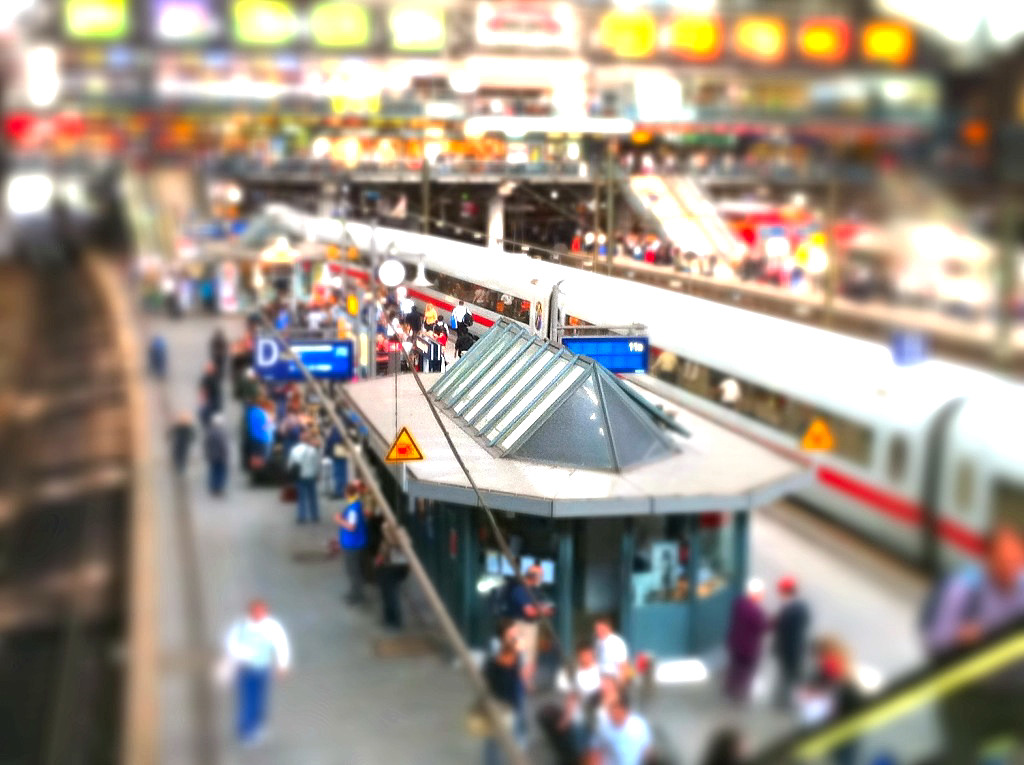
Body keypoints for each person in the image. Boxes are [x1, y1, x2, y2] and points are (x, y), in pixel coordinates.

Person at [924, 524, 1024, 764]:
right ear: (988, 559)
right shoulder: (965, 589)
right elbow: (936, 638)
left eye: (1017, 560)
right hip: (966, 695)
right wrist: (960, 636)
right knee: (963, 757)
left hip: (1011, 692)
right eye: (1004, 561)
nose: (1012, 568)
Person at [223, 599, 291, 746]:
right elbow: (231, 645)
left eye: (263, 611)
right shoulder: (240, 627)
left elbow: (281, 643)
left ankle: (258, 726)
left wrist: (282, 665)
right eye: (258, 612)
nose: (261, 615)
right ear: (251, 612)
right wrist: (245, 656)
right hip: (246, 669)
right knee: (248, 699)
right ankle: (246, 729)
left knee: (260, 698)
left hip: (262, 668)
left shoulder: (271, 626)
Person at [537, 641, 603, 764]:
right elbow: (571, 698)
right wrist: (566, 719)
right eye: (582, 655)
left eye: (587, 654)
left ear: (592, 653)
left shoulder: (600, 672)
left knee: (593, 754)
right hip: (578, 721)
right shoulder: (576, 673)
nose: (584, 657)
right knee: (580, 752)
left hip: (596, 721)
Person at [800, 637, 862, 765]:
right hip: (846, 721)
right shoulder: (841, 663)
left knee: (845, 754)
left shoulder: (832, 666)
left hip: (844, 722)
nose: (817, 660)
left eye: (818, 655)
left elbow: (826, 688)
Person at [483, 619, 527, 765]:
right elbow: (494, 668)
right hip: (500, 696)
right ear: (504, 633)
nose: (515, 634)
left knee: (516, 731)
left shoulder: (515, 647)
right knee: (495, 737)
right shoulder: (496, 646)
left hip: (515, 693)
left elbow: (520, 670)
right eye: (512, 632)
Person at [504, 563, 554, 691]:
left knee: (529, 657)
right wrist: (542, 610)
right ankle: (520, 685)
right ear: (532, 576)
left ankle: (524, 683)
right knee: (523, 656)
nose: (541, 578)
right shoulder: (520, 589)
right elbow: (529, 611)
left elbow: (550, 609)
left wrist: (541, 609)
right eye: (540, 575)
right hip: (521, 625)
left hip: (532, 625)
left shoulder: (536, 590)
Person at [724, 582, 769, 704]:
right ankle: (740, 694)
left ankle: (729, 691)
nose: (762, 596)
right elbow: (762, 627)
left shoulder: (739, 603)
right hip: (748, 647)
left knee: (734, 668)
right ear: (757, 594)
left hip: (735, 642)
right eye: (761, 594)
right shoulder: (756, 611)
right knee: (746, 672)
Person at [772, 576, 811, 710]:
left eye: (780, 592)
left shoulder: (788, 610)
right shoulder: (801, 607)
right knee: (788, 677)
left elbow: (784, 633)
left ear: (785, 592)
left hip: (790, 652)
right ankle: (784, 700)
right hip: (795, 649)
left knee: (788, 678)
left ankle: (784, 702)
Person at [587, 690, 653, 765]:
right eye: (609, 708)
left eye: (614, 707)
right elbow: (594, 752)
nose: (611, 711)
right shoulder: (603, 727)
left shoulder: (639, 725)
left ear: (624, 708)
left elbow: (647, 751)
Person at [334, 482, 368, 604]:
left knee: (353, 571)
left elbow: (351, 526)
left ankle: (357, 595)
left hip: (352, 544)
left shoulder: (353, 508)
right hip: (356, 542)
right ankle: (355, 592)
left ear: (348, 493)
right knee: (355, 570)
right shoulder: (357, 504)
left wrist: (339, 520)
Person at [374, 521, 409, 630]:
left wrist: (377, 562)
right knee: (392, 595)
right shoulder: (403, 540)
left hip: (388, 570)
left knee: (390, 596)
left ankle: (393, 621)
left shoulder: (390, 542)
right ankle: (391, 619)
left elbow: (381, 558)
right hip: (398, 570)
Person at [286, 431, 322, 524]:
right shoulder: (313, 450)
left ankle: (301, 516)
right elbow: (316, 464)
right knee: (312, 497)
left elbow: (290, 463)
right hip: (310, 476)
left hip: (300, 476)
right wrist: (317, 473)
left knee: (301, 497)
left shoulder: (295, 449)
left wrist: (289, 472)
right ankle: (314, 515)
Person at [594, 615, 630, 682]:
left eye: (600, 628)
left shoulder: (617, 642)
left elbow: (623, 666)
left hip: (614, 680)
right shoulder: (598, 642)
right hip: (601, 680)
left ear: (608, 628)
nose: (597, 631)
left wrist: (621, 684)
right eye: (596, 629)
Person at [204, 412, 230, 497]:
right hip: (221, 457)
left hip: (212, 456)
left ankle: (213, 487)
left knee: (213, 472)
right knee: (221, 473)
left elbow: (206, 445)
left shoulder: (209, 432)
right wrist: (226, 455)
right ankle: (219, 488)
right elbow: (224, 446)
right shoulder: (222, 433)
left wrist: (207, 454)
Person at [323, 424, 349, 498]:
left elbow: (332, 440)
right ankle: (343, 491)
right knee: (342, 472)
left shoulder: (336, 428)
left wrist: (326, 451)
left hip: (337, 451)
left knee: (338, 472)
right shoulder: (341, 426)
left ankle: (339, 491)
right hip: (341, 451)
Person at [198, 361, 223, 427]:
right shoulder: (206, 379)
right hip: (211, 401)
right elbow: (203, 391)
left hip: (215, 401)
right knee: (206, 415)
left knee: (214, 416)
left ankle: (212, 426)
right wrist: (202, 400)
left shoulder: (214, 378)